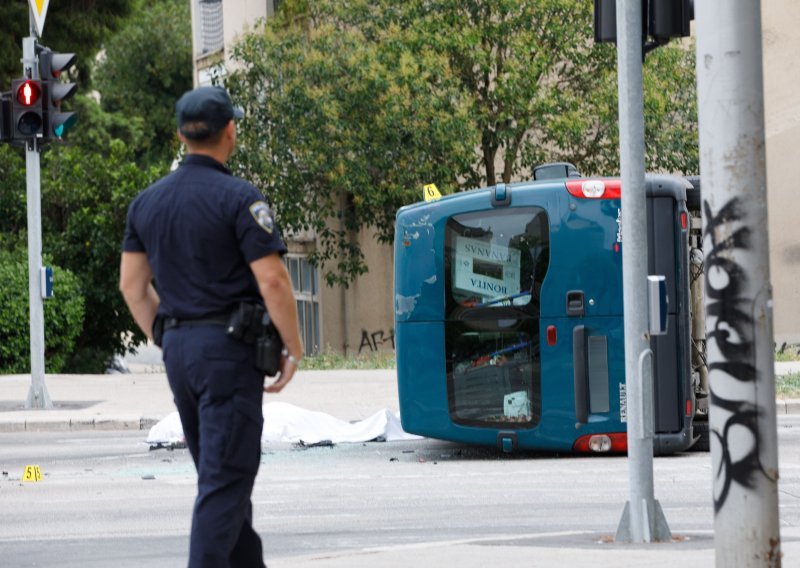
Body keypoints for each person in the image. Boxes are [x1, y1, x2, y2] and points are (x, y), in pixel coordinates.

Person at [119, 86, 303, 567]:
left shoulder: (147, 203)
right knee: (225, 480)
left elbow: (133, 287)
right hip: (228, 352)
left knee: (222, 475)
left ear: (182, 135)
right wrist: (293, 345)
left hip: (180, 350)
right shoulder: (240, 199)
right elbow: (274, 281)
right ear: (230, 131)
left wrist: (166, 335)